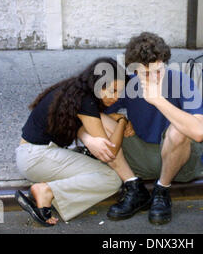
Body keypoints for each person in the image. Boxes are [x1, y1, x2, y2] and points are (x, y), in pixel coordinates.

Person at [78, 32, 203, 225]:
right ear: (134, 71)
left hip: (182, 163)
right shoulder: (128, 83)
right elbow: (84, 115)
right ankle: (134, 187)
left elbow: (198, 132)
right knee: (99, 120)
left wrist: (158, 100)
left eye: (159, 70)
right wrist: (92, 137)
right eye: (146, 73)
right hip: (142, 158)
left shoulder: (181, 81)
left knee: (180, 128)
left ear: (164, 62)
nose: (154, 77)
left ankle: (162, 190)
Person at [14, 57, 130, 226]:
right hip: (37, 158)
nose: (117, 98)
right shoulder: (86, 102)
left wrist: (90, 134)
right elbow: (110, 152)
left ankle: (51, 189)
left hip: (32, 154)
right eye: (113, 91)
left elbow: (79, 125)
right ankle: (46, 191)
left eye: (120, 92)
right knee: (111, 178)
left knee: (95, 169)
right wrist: (122, 122)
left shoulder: (74, 90)